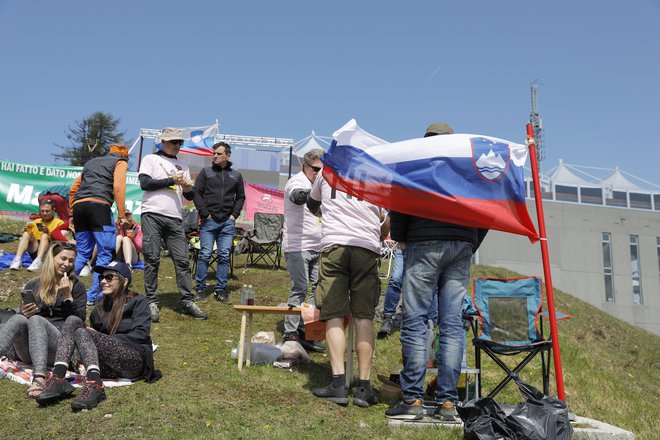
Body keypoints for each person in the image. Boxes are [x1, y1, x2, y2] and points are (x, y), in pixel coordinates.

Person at [385, 123, 488, 421]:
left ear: (426, 140)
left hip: (424, 242)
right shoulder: (468, 167)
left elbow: (399, 200)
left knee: (416, 320)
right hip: (461, 245)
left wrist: (402, 237)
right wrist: (471, 239)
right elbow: (488, 206)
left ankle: (413, 401)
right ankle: (447, 404)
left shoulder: (415, 162)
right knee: (453, 324)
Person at [307, 170, 389, 408]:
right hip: (366, 246)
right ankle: (364, 388)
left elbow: (312, 203)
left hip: (334, 245)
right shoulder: (377, 176)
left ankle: (338, 384)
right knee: (364, 317)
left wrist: (328, 214)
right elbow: (385, 221)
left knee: (333, 314)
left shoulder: (326, 172)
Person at [37, 261, 161, 410]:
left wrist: (103, 338)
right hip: (108, 366)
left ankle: (93, 386)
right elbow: (86, 341)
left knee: (81, 329)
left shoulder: (138, 302)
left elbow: (141, 335)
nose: (103, 281)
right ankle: (60, 379)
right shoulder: (99, 309)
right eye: (101, 277)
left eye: (109, 277)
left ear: (125, 281)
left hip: (133, 361)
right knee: (75, 323)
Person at [139, 127, 207, 321]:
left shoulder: (183, 165)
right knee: (152, 258)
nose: (178, 145)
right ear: (163, 142)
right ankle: (151, 301)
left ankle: (187, 301)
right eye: (174, 142)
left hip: (176, 216)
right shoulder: (151, 159)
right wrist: (171, 179)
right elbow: (145, 184)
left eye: (180, 142)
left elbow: (189, 195)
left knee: (183, 259)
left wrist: (186, 186)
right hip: (152, 212)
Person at [0, 242, 86, 397]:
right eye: (63, 258)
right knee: (19, 318)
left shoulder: (77, 285)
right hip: (32, 348)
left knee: (36, 320)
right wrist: (24, 312)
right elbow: (25, 318)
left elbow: (79, 321)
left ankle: (40, 377)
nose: (67, 264)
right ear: (52, 258)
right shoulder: (34, 284)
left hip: (61, 349)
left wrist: (68, 297)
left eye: (71, 261)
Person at [68, 144, 129, 303]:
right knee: (104, 253)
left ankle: (59, 288)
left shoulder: (91, 163)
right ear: (125, 156)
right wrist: (122, 214)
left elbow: (73, 189)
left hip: (79, 206)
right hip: (99, 207)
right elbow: (118, 187)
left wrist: (71, 212)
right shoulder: (120, 163)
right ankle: (92, 296)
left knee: (82, 253)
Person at [281, 149, 324, 351]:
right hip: (297, 246)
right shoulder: (297, 181)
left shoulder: (320, 184)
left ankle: (307, 331)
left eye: (322, 170)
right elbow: (297, 197)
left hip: (318, 246)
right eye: (315, 169)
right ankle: (289, 332)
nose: (319, 173)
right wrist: (314, 192)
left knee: (318, 290)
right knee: (300, 287)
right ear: (305, 166)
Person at [192, 141, 245, 302]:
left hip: (227, 222)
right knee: (205, 254)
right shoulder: (205, 172)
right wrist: (205, 213)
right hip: (209, 222)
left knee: (223, 256)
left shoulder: (236, 175)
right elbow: (197, 193)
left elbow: (241, 197)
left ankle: (220, 290)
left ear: (227, 156)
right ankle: (200, 289)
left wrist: (234, 216)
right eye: (214, 153)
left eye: (219, 153)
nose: (215, 156)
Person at [9, 199, 65, 272]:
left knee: (44, 236)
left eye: (47, 211)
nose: (44, 213)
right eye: (42, 211)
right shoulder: (36, 222)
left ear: (53, 210)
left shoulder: (59, 223)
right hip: (35, 249)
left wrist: (48, 232)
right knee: (27, 233)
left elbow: (60, 242)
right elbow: (30, 239)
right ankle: (17, 260)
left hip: (50, 252)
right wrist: (25, 230)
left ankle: (39, 261)